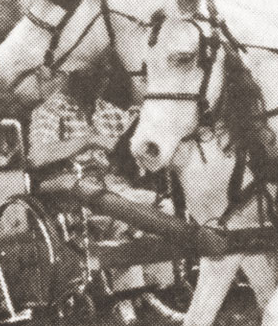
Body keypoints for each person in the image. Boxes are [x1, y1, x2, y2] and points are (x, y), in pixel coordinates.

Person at [28, 61, 173, 311]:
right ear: (72, 77)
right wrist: (89, 141)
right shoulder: (48, 111)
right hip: (76, 191)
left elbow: (136, 160)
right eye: (92, 76)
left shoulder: (112, 113)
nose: (100, 81)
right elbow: (37, 156)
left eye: (104, 75)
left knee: (165, 209)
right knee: (126, 215)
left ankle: (159, 290)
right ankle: (128, 299)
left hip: (117, 186)